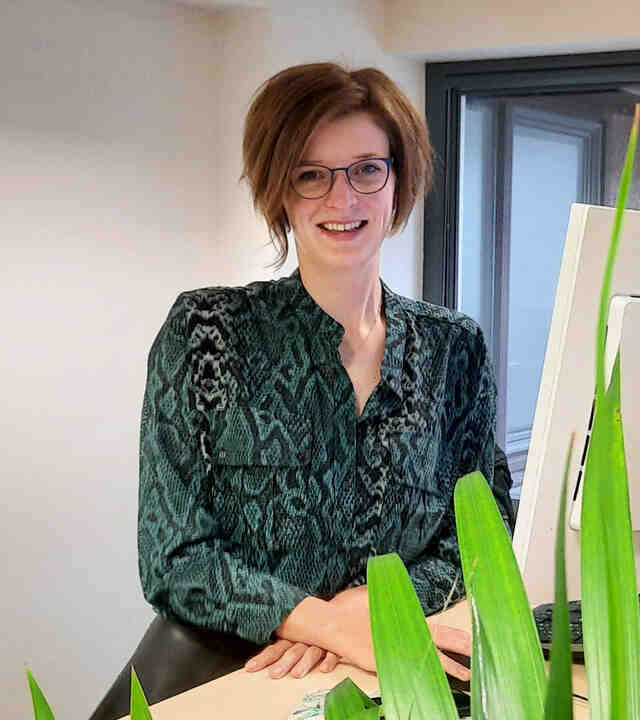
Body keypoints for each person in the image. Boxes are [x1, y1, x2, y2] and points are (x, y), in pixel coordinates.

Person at [137, 62, 515, 687]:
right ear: (279, 191)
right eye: (310, 175)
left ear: (399, 181)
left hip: (390, 671)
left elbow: (484, 530)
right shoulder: (206, 331)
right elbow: (174, 556)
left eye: (367, 169)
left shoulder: (454, 348)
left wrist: (375, 602)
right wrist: (324, 624)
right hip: (240, 675)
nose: (343, 200)